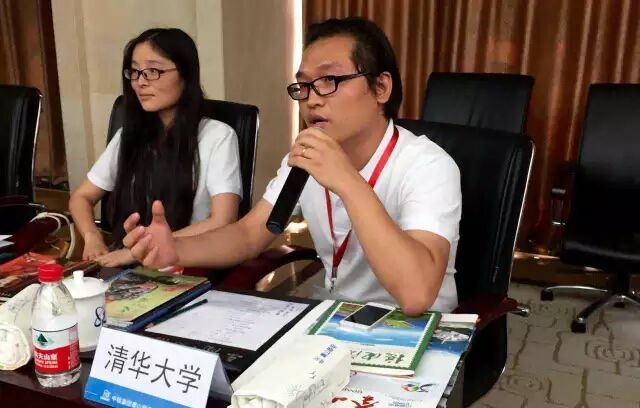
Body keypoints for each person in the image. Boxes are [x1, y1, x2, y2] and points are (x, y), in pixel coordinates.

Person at [123, 17, 461, 315]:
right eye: (304, 86)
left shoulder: (427, 165)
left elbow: (416, 296)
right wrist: (176, 248)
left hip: (418, 331)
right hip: (337, 320)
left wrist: (347, 180)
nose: (311, 100)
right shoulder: (305, 159)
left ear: (381, 88)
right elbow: (248, 235)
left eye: (329, 81)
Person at [69, 28, 242, 267]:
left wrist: (137, 252)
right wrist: (91, 236)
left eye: (153, 71)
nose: (140, 82)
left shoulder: (217, 136)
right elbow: (81, 197)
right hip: (127, 264)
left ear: (186, 75)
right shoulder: (128, 135)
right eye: (135, 71)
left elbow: (223, 220)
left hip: (189, 266)